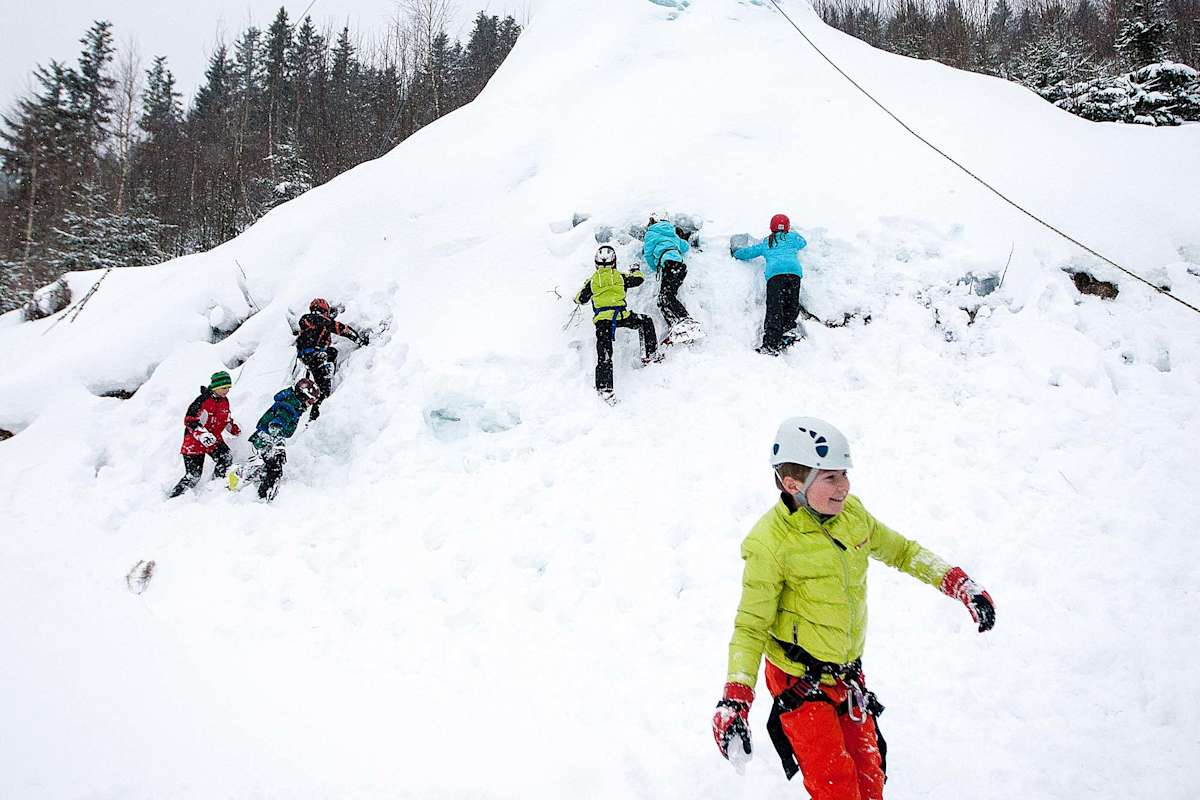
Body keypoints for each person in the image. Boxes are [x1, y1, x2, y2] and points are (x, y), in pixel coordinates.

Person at [712, 417, 995, 800]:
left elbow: (903, 552)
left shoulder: (852, 516)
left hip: (847, 679)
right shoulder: (770, 543)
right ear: (794, 484)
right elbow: (750, 626)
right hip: (800, 682)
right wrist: (736, 698)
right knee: (838, 789)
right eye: (830, 478)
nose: (844, 486)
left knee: (871, 781)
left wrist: (956, 582)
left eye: (844, 474)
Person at [574, 245, 661, 404]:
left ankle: (605, 388)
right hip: (621, 315)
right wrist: (635, 269)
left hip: (602, 320)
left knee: (605, 353)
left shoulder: (592, 281)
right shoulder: (620, 276)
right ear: (614, 262)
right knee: (645, 321)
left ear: (596, 263)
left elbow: (580, 298)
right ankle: (650, 354)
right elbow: (638, 279)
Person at [228, 378, 321, 501]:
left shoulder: (295, 404)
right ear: (303, 396)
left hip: (269, 439)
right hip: (266, 439)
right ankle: (262, 498)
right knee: (275, 469)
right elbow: (275, 426)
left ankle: (242, 473)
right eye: (310, 400)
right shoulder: (288, 406)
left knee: (272, 466)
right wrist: (279, 446)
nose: (310, 405)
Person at [732, 213, 807, 355]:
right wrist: (793, 233)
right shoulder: (792, 238)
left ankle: (771, 343)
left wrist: (736, 253)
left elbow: (750, 252)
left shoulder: (768, 242)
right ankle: (788, 330)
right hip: (794, 274)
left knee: (775, 308)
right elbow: (803, 242)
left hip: (776, 276)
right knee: (792, 303)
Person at [169, 371, 240, 497]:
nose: (226, 391)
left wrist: (234, 430)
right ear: (216, 387)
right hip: (194, 442)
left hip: (214, 440)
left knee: (225, 457)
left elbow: (226, 419)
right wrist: (202, 434)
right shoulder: (202, 401)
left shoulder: (225, 401)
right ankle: (174, 497)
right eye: (224, 388)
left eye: (228, 388)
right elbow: (189, 420)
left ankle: (216, 488)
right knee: (193, 476)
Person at [295, 298, 369, 420]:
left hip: (311, 359)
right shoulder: (312, 319)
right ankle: (328, 371)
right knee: (331, 352)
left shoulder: (313, 323)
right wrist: (358, 339)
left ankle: (314, 419)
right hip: (315, 355)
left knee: (323, 391)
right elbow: (338, 328)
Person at [642, 211, 699, 339]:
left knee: (665, 298)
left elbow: (648, 254)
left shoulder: (651, 233)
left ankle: (685, 320)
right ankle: (677, 325)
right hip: (679, 267)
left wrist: (655, 267)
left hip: (669, 265)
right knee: (664, 299)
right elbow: (685, 247)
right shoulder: (672, 233)